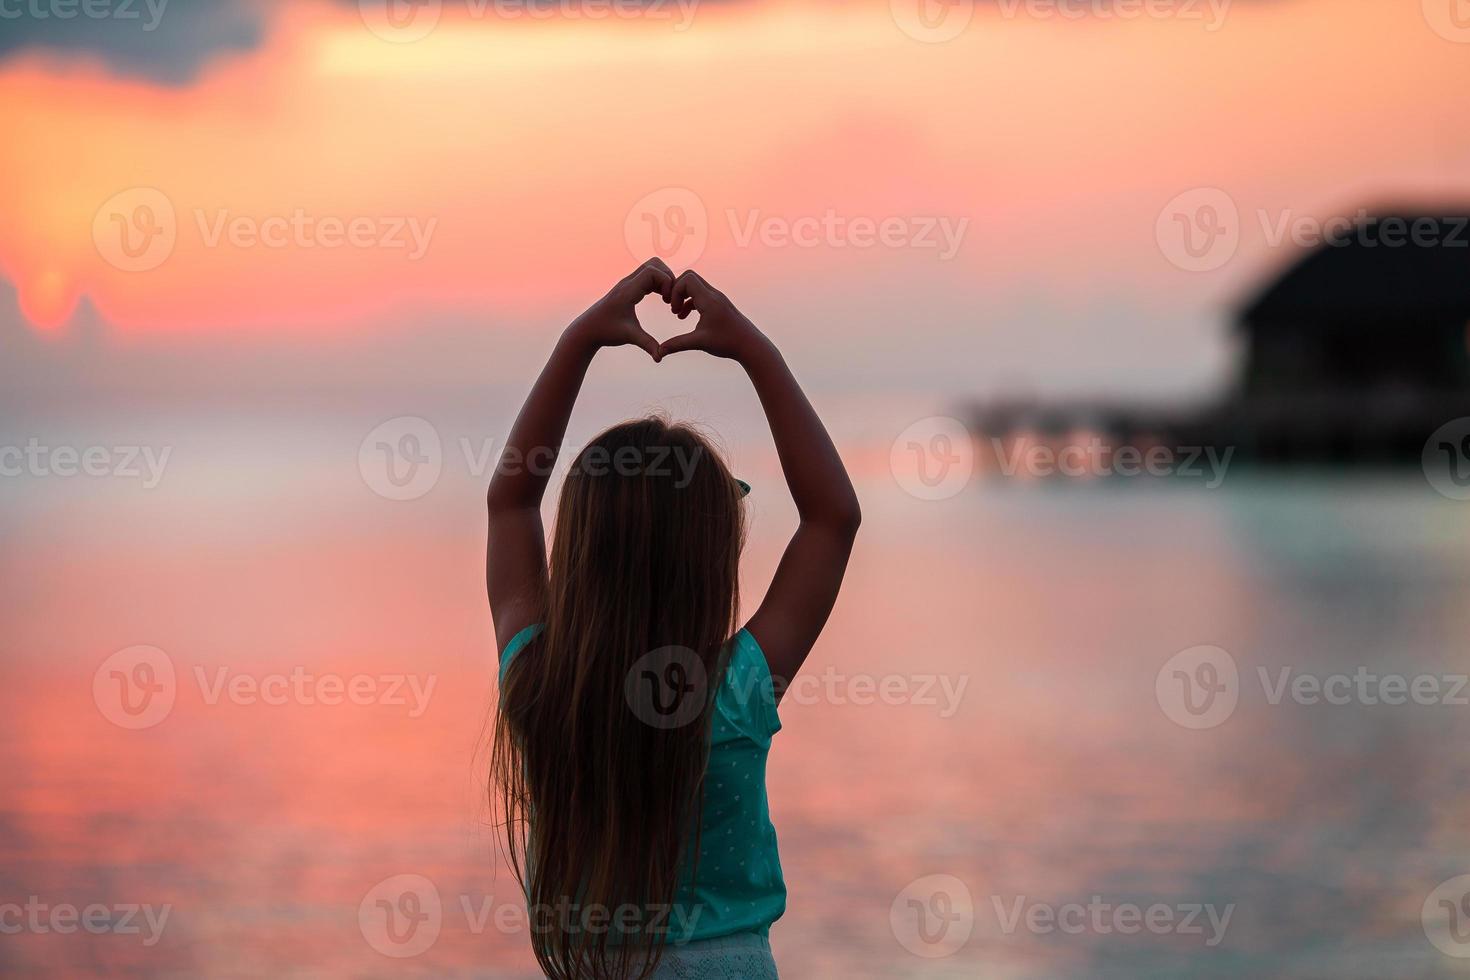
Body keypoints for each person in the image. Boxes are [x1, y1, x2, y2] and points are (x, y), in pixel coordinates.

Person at [487, 259, 860, 979]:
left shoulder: (538, 685)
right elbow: (832, 515)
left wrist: (578, 342)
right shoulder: (734, 691)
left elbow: (511, 503)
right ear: (710, 557)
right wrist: (756, 350)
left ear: (582, 547)